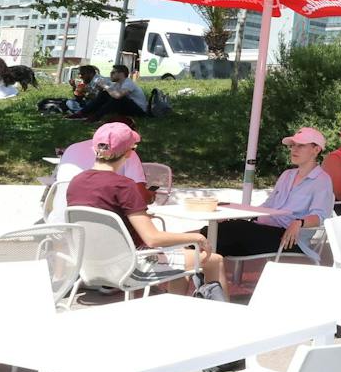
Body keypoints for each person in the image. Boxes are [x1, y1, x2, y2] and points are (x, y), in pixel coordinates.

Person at [65, 122, 224, 295]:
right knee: (215, 260)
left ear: (94, 149)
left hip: (88, 265)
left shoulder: (76, 182)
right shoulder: (124, 186)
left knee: (179, 267)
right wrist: (197, 237)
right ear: (129, 153)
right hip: (131, 266)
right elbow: (152, 239)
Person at [216, 126, 336, 258]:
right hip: (266, 231)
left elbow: (320, 216)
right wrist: (235, 213)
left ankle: (196, 267)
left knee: (230, 231)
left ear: (316, 150)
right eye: (292, 145)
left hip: (290, 238)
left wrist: (299, 222)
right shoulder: (287, 175)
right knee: (218, 232)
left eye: (301, 145)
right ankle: (201, 270)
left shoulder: (322, 180)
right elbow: (267, 206)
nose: (294, 149)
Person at [80, 63, 149, 121]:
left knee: (118, 98)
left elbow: (118, 96)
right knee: (105, 94)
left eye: (113, 72)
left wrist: (105, 86)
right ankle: (83, 113)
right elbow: (106, 95)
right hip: (128, 109)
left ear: (121, 74)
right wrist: (101, 89)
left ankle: (95, 117)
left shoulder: (128, 82)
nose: (110, 75)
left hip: (140, 111)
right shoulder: (117, 84)